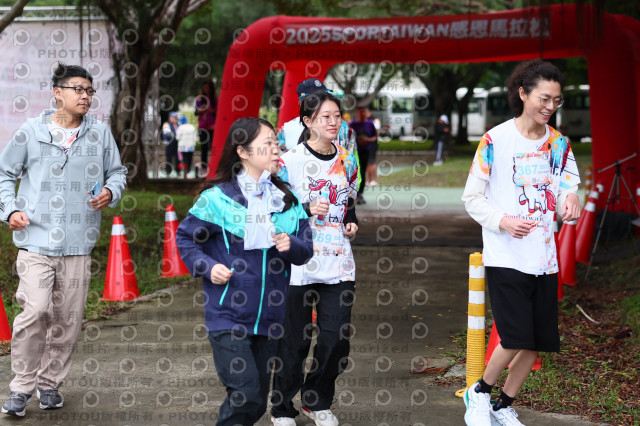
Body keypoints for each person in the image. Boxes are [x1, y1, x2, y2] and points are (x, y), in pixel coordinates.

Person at [0, 63, 127, 417]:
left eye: (89, 91)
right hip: (35, 241)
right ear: (58, 92)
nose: (85, 96)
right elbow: (4, 172)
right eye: (78, 89)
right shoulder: (31, 132)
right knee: (35, 311)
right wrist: (9, 210)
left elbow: (118, 172)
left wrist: (110, 191)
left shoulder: (99, 134)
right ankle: (21, 387)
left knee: (68, 320)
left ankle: (50, 384)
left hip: (78, 243)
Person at [461, 59, 581, 426]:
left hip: (544, 257)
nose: (550, 106)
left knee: (537, 341)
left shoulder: (558, 143)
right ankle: (479, 393)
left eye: (556, 100)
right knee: (514, 337)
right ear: (523, 94)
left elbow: (567, 186)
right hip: (506, 255)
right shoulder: (495, 140)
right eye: (544, 98)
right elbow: (471, 198)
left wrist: (570, 199)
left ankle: (502, 406)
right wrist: (503, 221)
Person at [176, 117, 313, 426]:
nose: (276, 150)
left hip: (270, 318)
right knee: (246, 395)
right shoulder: (217, 200)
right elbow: (186, 239)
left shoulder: (287, 201)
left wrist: (290, 244)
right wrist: (208, 267)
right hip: (227, 315)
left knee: (256, 404)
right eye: (268, 144)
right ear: (243, 151)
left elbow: (306, 251)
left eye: (277, 143)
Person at [271, 91, 359, 426]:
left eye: (337, 116)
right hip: (298, 264)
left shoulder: (347, 159)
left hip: (339, 262)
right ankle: (282, 407)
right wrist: (305, 208)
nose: (333, 122)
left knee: (336, 341)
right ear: (308, 121)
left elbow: (348, 201)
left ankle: (316, 400)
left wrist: (351, 221)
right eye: (325, 117)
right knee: (294, 342)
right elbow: (274, 212)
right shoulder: (289, 161)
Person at [277, 78, 361, 191]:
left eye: (324, 96)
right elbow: (279, 167)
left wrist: (353, 190)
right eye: (314, 99)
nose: (333, 122)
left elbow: (353, 160)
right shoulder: (286, 130)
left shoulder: (346, 129)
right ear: (301, 104)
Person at [350, 105, 377, 204]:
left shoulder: (370, 124)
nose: (362, 114)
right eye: (360, 112)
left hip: (366, 151)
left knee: (362, 172)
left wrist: (367, 140)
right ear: (357, 113)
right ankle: (353, 193)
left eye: (364, 112)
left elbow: (375, 137)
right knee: (356, 172)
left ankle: (360, 193)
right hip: (354, 152)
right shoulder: (352, 124)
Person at [194, 78, 217, 175]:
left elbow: (218, 113)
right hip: (203, 127)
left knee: (213, 147)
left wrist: (210, 110)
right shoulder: (200, 99)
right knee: (204, 148)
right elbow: (196, 112)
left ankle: (214, 168)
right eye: (204, 88)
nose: (206, 90)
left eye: (208, 88)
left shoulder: (216, 99)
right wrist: (200, 110)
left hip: (213, 127)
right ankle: (204, 168)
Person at [161, 112, 179, 176]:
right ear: (170, 118)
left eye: (176, 118)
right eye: (173, 117)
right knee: (169, 158)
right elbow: (167, 134)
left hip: (177, 144)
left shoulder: (178, 124)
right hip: (169, 144)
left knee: (178, 158)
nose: (175, 119)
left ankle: (178, 171)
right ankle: (168, 171)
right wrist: (176, 135)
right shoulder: (166, 124)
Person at [366, 110, 381, 186]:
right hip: (365, 144)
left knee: (372, 162)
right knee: (366, 162)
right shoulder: (364, 121)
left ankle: (373, 180)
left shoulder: (375, 120)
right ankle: (368, 180)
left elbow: (377, 131)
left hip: (373, 144)